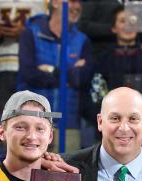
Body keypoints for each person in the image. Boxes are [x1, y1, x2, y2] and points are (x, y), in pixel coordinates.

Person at [18, 0, 92, 152]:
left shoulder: (83, 40)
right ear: (56, 2)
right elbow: (29, 74)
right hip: (33, 122)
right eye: (72, 1)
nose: (77, 6)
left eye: (79, 2)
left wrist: (51, 70)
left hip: (70, 124)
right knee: (30, 174)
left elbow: (82, 79)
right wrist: (68, 74)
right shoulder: (30, 33)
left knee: (65, 174)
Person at [85, 5, 142, 126]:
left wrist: (135, 118)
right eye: (123, 21)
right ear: (113, 28)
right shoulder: (102, 60)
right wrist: (113, 120)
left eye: (132, 21)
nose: (128, 26)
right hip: (108, 131)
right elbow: (95, 96)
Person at [0, 0, 46, 108]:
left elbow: (50, 32)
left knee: (28, 113)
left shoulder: (45, 3)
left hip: (31, 66)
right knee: (2, 114)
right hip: (1, 65)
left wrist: (25, 33)